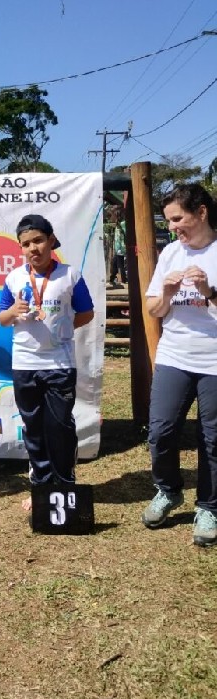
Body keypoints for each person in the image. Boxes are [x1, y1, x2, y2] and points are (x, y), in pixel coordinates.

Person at [0, 214, 95, 508]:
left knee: (60, 427)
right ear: (21, 248)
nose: (33, 248)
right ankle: (40, 488)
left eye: (38, 240)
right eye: (26, 244)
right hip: (24, 364)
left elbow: (86, 313)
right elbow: (2, 319)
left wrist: (63, 330)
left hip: (59, 365)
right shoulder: (14, 278)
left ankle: (64, 485)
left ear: (51, 241)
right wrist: (13, 311)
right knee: (33, 428)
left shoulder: (70, 275)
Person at [141, 183, 217, 548]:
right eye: (167, 221)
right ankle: (168, 490)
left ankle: (209, 507)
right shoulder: (171, 253)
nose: (172, 227)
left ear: (201, 212)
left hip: (214, 361)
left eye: (177, 219)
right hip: (174, 356)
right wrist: (168, 294)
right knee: (160, 431)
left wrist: (209, 293)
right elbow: (153, 309)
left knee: (212, 438)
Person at [109, 207, 127, 288]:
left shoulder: (123, 224)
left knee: (120, 265)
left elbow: (125, 234)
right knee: (114, 264)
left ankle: (123, 280)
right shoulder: (118, 224)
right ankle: (112, 279)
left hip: (121, 248)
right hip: (117, 248)